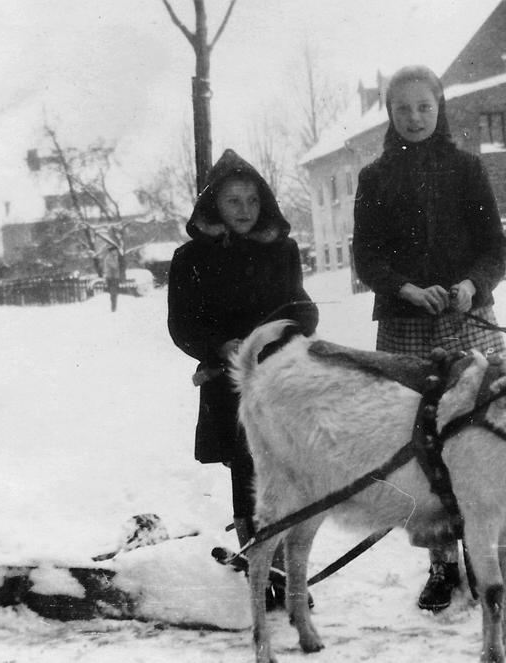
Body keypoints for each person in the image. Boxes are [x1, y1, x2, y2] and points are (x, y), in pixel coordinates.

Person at [352, 65, 506, 612]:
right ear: (390, 115)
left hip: (470, 321)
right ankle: (440, 565)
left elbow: (495, 248)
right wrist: (406, 288)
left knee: (485, 438)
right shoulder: (374, 178)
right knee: (418, 447)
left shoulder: (468, 169)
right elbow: (365, 256)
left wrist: (471, 285)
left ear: (440, 107)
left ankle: (491, 562)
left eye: (425, 106)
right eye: (403, 109)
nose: (415, 117)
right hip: (406, 325)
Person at [167, 148, 318, 607]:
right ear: (214, 204)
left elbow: (299, 306)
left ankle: (284, 569)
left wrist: (294, 326)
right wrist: (219, 347)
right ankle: (261, 564)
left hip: (276, 378)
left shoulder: (282, 250)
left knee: (285, 472)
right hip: (227, 383)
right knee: (245, 468)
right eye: (233, 202)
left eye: (253, 200)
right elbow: (182, 325)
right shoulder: (190, 257)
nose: (246, 211)